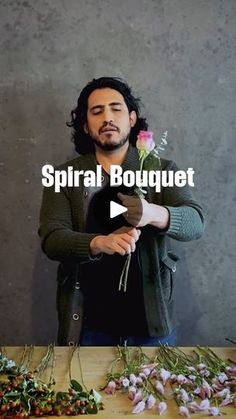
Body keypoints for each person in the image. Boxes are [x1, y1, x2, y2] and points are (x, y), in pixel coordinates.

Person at [38, 77, 205, 346]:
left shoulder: (162, 170)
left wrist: (153, 213)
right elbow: (52, 239)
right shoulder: (63, 176)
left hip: (152, 329)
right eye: (96, 111)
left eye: (116, 109)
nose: (107, 117)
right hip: (88, 328)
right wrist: (99, 243)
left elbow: (196, 222)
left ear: (132, 118)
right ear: (85, 125)